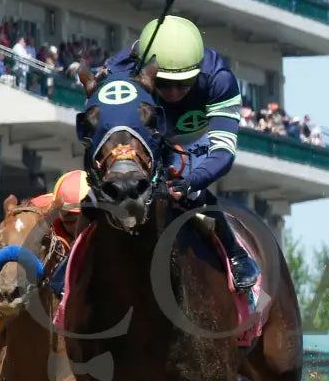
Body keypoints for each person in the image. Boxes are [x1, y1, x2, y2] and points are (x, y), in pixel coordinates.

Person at [101, 15, 260, 290]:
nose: (174, 92)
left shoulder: (219, 79)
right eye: (164, 84)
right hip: (149, 135)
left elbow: (223, 152)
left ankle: (236, 253)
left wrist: (192, 181)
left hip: (194, 138)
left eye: (184, 84)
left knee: (189, 188)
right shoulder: (121, 72)